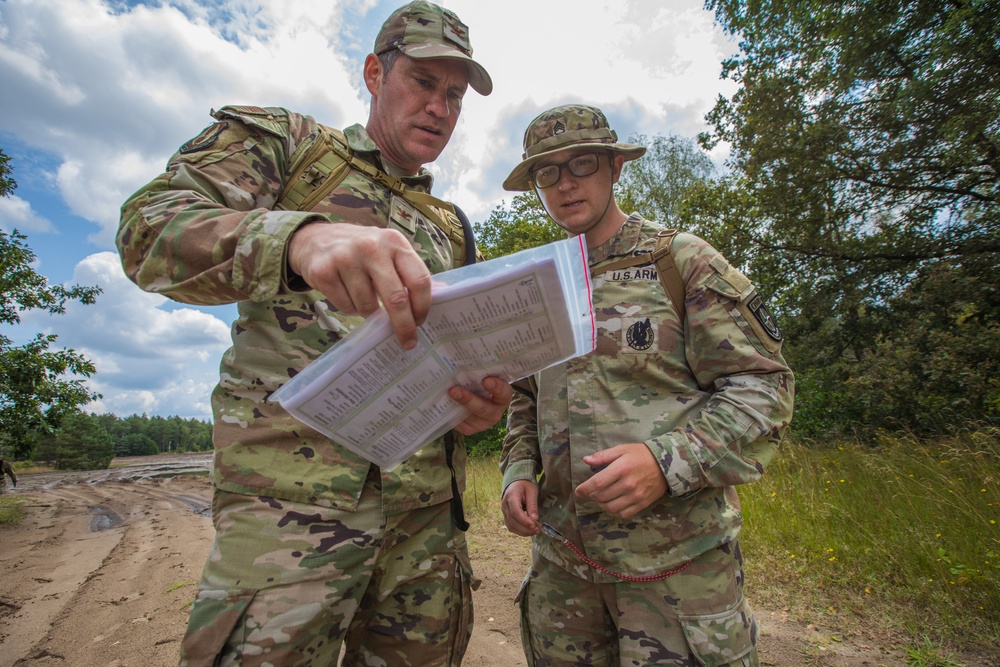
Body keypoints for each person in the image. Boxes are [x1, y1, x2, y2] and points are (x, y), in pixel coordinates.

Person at [117, 3, 512, 665]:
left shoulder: (450, 226)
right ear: (373, 73)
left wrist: (479, 405)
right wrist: (298, 237)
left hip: (424, 534)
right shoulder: (291, 148)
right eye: (423, 81)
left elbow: (459, 360)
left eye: (454, 94)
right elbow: (148, 228)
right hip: (289, 520)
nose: (440, 108)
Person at [498, 104, 795, 667]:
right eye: (547, 172)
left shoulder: (680, 261)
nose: (565, 184)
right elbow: (524, 397)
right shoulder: (538, 284)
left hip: (675, 576)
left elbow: (765, 388)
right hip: (563, 573)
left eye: (581, 164)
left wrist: (667, 463)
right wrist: (517, 471)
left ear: (615, 169)